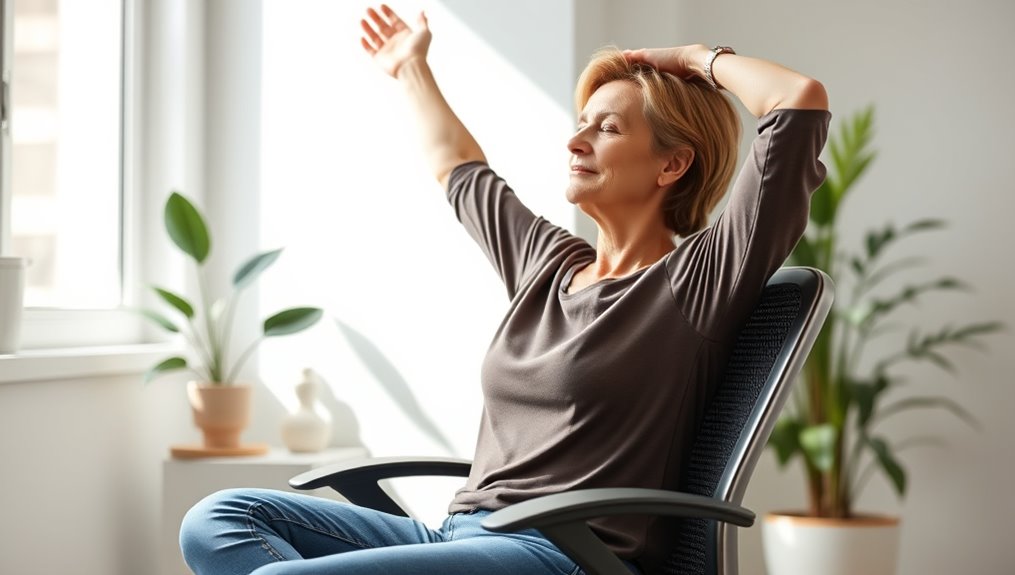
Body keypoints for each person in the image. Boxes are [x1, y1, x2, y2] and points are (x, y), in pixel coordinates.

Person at [179, 4, 829, 574]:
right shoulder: (547, 264)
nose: (575, 139)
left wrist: (691, 58)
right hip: (458, 533)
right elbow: (458, 166)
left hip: (563, 554)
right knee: (218, 519)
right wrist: (410, 65)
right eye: (581, 121)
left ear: (672, 163)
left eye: (607, 127)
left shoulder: (698, 281)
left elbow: (798, 99)